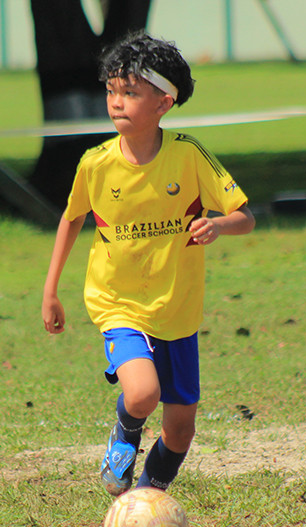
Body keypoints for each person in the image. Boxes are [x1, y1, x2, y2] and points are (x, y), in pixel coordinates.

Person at [41, 31, 255, 496]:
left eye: (130, 93)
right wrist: (51, 290)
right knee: (140, 394)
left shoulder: (188, 155)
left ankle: (144, 501)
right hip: (118, 303)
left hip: (177, 312)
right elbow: (72, 218)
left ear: (163, 103)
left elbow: (245, 216)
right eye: (111, 91)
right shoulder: (95, 164)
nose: (116, 103)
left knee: (180, 432)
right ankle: (123, 437)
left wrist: (219, 225)